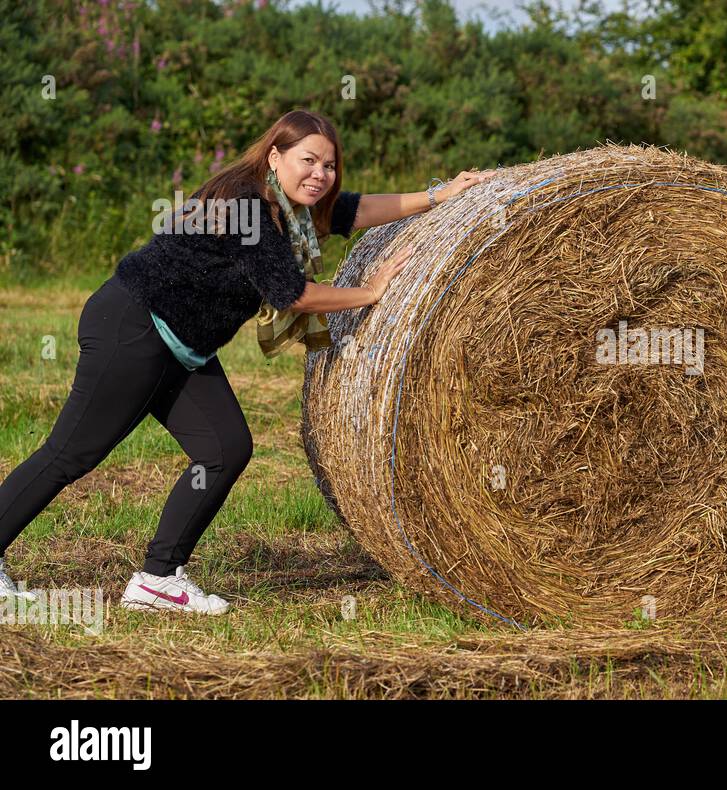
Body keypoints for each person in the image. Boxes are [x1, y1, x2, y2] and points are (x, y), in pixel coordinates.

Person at [0, 109, 494, 614]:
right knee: (71, 455)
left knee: (225, 447)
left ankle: (157, 579)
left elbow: (349, 211)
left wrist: (437, 197)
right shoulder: (247, 206)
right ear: (275, 156)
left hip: (182, 346)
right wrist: (369, 292)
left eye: (329, 165)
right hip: (134, 326)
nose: (319, 175)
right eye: (308, 160)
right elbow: (289, 292)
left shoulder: (291, 205)